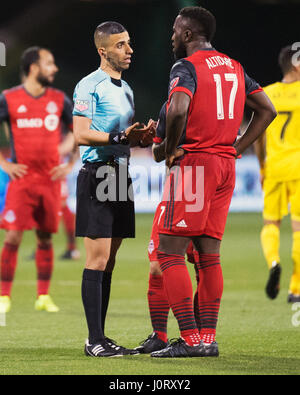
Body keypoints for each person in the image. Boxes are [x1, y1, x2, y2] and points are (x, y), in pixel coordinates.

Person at [150, 6, 277, 358]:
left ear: (189, 34)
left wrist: (170, 149)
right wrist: (237, 148)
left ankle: (189, 341)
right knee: (209, 256)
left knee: (169, 253)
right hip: (224, 166)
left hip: (194, 165)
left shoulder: (185, 67)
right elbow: (266, 109)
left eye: (176, 31)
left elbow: (177, 109)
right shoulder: (234, 67)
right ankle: (207, 339)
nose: (172, 37)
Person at [73, 21, 154, 357]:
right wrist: (121, 138)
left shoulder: (127, 89)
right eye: (121, 45)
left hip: (121, 174)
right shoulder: (89, 85)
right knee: (97, 259)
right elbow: (80, 132)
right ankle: (93, 341)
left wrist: (142, 138)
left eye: (129, 43)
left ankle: (102, 338)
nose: (129, 50)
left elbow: (123, 137)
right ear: (102, 50)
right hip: (98, 174)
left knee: (110, 262)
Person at [0, 46, 76, 314]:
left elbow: (75, 132)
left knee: (45, 238)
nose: (54, 68)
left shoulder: (59, 99)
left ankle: (43, 296)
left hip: (50, 180)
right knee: (12, 237)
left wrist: (69, 162)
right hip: (22, 180)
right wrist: (4, 163)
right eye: (49, 63)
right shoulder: (8, 98)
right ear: (34, 67)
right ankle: (3, 297)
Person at [135, 102, 201, 354]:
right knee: (156, 264)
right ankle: (159, 335)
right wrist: (163, 145)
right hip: (174, 188)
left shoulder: (214, 105)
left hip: (202, 186)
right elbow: (156, 151)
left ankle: (199, 336)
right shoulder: (171, 105)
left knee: (202, 263)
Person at [254, 45, 300, 303]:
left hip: (273, 167)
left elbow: (258, 137)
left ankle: (273, 262)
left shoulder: (267, 94)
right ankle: (296, 289)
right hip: (298, 166)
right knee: (298, 229)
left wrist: (262, 167)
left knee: (271, 224)